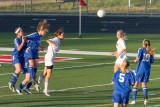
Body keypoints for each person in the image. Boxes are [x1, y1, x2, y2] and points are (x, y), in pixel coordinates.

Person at [16, 19, 49, 94]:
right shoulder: (34, 35)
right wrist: (25, 40)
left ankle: (27, 88)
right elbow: (25, 37)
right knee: (32, 66)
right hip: (30, 51)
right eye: (45, 31)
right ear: (41, 30)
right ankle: (29, 81)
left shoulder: (40, 36)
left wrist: (41, 47)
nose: (45, 33)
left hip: (35, 51)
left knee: (36, 67)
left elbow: (37, 42)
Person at [35, 28, 64, 96]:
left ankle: (37, 85)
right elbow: (47, 40)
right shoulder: (56, 39)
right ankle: (45, 90)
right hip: (49, 58)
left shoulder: (58, 40)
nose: (63, 36)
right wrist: (54, 44)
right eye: (62, 35)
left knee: (44, 73)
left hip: (48, 57)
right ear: (59, 35)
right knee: (49, 74)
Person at [129, 39, 154, 105]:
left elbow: (137, 59)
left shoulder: (141, 49)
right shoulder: (150, 51)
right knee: (144, 85)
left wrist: (134, 61)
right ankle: (145, 99)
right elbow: (151, 61)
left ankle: (134, 100)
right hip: (147, 70)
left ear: (143, 44)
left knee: (136, 84)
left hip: (140, 69)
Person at [8, 27, 27, 92]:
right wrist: (23, 41)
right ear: (18, 33)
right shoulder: (16, 39)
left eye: (22, 31)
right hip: (16, 56)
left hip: (22, 57)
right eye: (20, 31)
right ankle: (11, 82)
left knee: (20, 73)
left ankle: (13, 84)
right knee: (18, 69)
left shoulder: (24, 38)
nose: (22, 32)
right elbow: (18, 49)